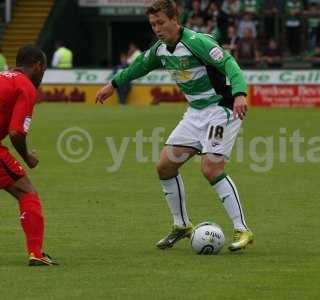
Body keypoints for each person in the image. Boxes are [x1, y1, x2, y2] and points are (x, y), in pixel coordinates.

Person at [96, 0, 253, 252]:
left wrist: (239, 93)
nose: (157, 29)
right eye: (153, 24)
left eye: (161, 23)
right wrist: (113, 85)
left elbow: (229, 63)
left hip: (221, 109)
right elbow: (138, 66)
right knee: (165, 166)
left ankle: (242, 228)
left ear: (174, 20)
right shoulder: (160, 50)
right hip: (195, 114)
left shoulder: (197, 42)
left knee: (211, 167)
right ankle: (181, 225)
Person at [0, 44, 58, 266]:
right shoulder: (24, 86)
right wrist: (28, 157)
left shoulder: (3, 77)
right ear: (36, 65)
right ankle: (36, 253)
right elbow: (16, 132)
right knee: (27, 193)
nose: (42, 75)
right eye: (43, 70)